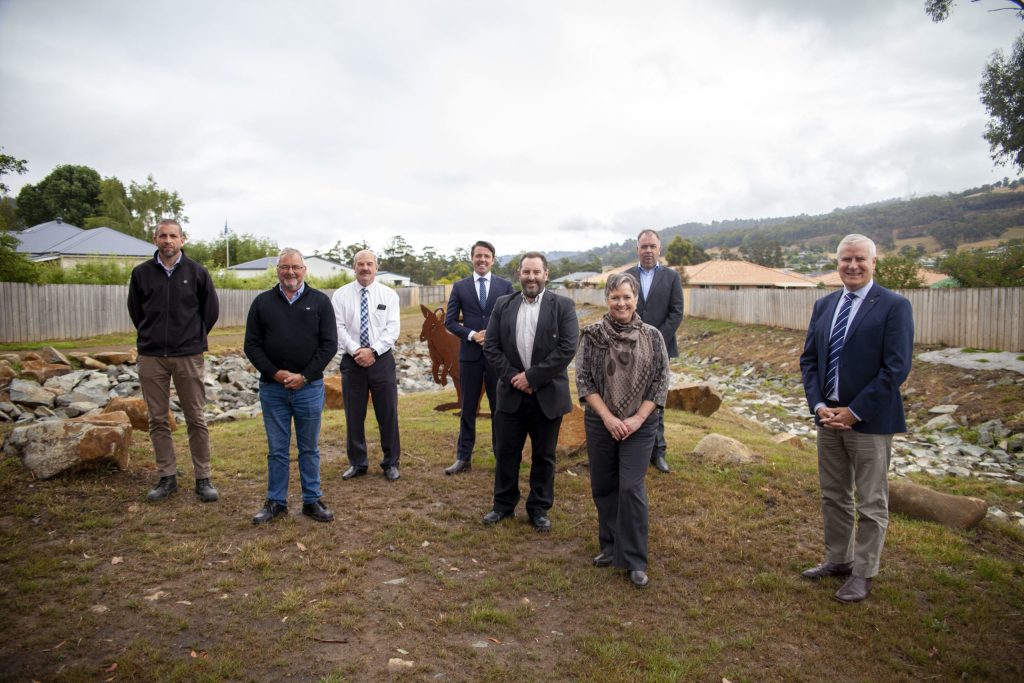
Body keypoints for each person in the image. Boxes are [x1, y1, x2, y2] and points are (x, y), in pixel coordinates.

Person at [799, 234, 913, 603]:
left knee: (871, 502)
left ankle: (864, 573)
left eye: (860, 259)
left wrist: (855, 411)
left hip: (870, 421)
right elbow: (810, 361)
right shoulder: (824, 305)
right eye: (846, 259)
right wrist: (819, 406)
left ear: (874, 262)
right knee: (834, 495)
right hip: (828, 418)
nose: (852, 265)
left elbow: (895, 368)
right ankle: (838, 559)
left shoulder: (894, 306)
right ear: (837, 263)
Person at [576, 272, 669, 588]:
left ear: (636, 299)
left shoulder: (653, 337)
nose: (621, 302)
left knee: (630, 487)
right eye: (615, 297)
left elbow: (660, 382)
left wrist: (637, 419)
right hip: (602, 422)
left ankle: (634, 558)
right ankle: (610, 545)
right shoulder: (591, 335)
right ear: (607, 299)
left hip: (640, 425)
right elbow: (584, 380)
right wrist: (608, 418)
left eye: (626, 296)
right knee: (604, 485)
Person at [481, 251, 579, 532]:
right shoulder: (503, 304)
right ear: (519, 274)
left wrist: (532, 378)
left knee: (544, 456)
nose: (531, 277)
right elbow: (491, 346)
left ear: (546, 274)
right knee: (506, 452)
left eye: (537, 272)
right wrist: (515, 378)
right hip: (511, 394)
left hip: (547, 395)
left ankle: (539, 508)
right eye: (526, 272)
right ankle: (503, 505)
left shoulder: (563, 306)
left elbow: (567, 349)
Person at [127, 218, 220, 503]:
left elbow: (210, 312)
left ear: (182, 240)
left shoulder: (197, 273)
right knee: (157, 419)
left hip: (187, 356)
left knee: (196, 418)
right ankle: (167, 477)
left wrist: (192, 339)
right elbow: (136, 311)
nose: (168, 241)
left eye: (173, 236)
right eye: (163, 236)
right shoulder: (141, 273)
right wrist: (151, 337)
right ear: (155, 239)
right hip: (152, 357)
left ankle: (203, 478)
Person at [244, 249, 338, 524]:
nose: (291, 272)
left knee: (309, 448)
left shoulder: (320, 302)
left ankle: (312, 500)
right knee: (277, 449)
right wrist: (274, 373)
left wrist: (305, 376)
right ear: (277, 270)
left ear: (304, 270)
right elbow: (251, 344)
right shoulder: (262, 303)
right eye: (285, 267)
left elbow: (329, 344)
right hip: (273, 390)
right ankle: (276, 502)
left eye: (296, 267)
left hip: (308, 388)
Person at [442, 240, 514, 475]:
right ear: (471, 259)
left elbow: (512, 319)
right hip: (470, 356)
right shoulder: (460, 287)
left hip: (497, 357)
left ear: (493, 260)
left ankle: (501, 455)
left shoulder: (505, 286)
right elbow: (450, 321)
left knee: (499, 407)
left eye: (486, 256)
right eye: (478, 256)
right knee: (468, 406)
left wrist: (491, 336)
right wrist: (472, 335)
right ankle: (463, 458)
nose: (482, 260)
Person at [331, 249, 402, 481]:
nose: (365, 268)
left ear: (376, 266)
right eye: (360, 264)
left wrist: (372, 351)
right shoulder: (340, 296)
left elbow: (393, 329)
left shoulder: (389, 295)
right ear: (354, 267)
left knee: (388, 413)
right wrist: (356, 351)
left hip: (381, 360)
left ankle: (391, 462)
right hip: (352, 362)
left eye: (369, 264)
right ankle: (358, 463)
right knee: (354, 414)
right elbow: (338, 328)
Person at [626, 229, 683, 474]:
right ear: (637, 249)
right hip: (629, 348)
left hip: (661, 349)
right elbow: (620, 307)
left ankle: (658, 452)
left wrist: (656, 340)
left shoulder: (671, 277)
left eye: (652, 246)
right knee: (631, 398)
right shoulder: (626, 276)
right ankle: (633, 448)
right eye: (643, 246)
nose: (648, 250)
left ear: (659, 249)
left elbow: (676, 312)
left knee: (656, 400)